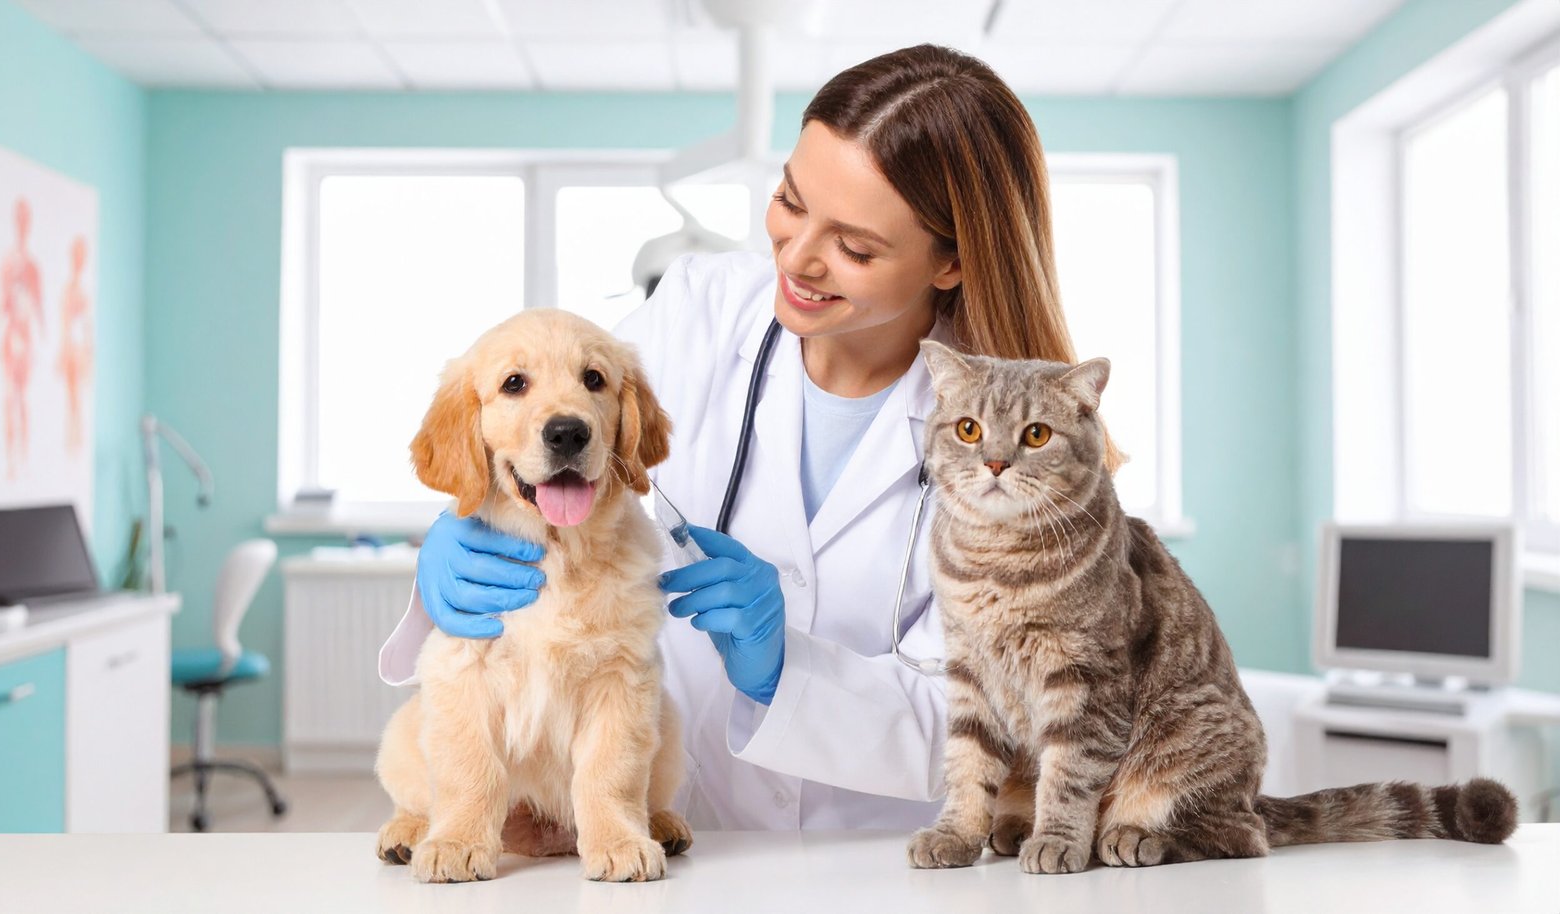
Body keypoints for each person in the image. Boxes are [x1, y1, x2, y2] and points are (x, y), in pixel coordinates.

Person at [380, 44, 1112, 831]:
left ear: (950, 263)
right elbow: (545, 436)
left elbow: (999, 725)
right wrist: (463, 529)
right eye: (791, 202)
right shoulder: (698, 310)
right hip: (682, 832)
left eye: (855, 248)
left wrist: (783, 671)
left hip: (878, 861)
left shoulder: (1036, 448)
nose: (796, 258)